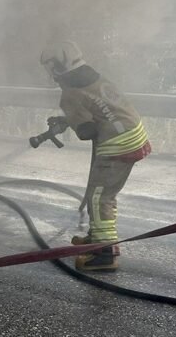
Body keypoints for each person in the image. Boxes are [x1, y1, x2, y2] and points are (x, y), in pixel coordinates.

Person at [40, 40, 152, 272]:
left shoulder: (70, 94)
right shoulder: (97, 78)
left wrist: (70, 119)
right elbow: (99, 110)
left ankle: (105, 253)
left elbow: (86, 131)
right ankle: (96, 236)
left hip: (116, 145)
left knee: (99, 197)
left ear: (55, 69)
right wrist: (68, 119)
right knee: (97, 192)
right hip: (133, 134)